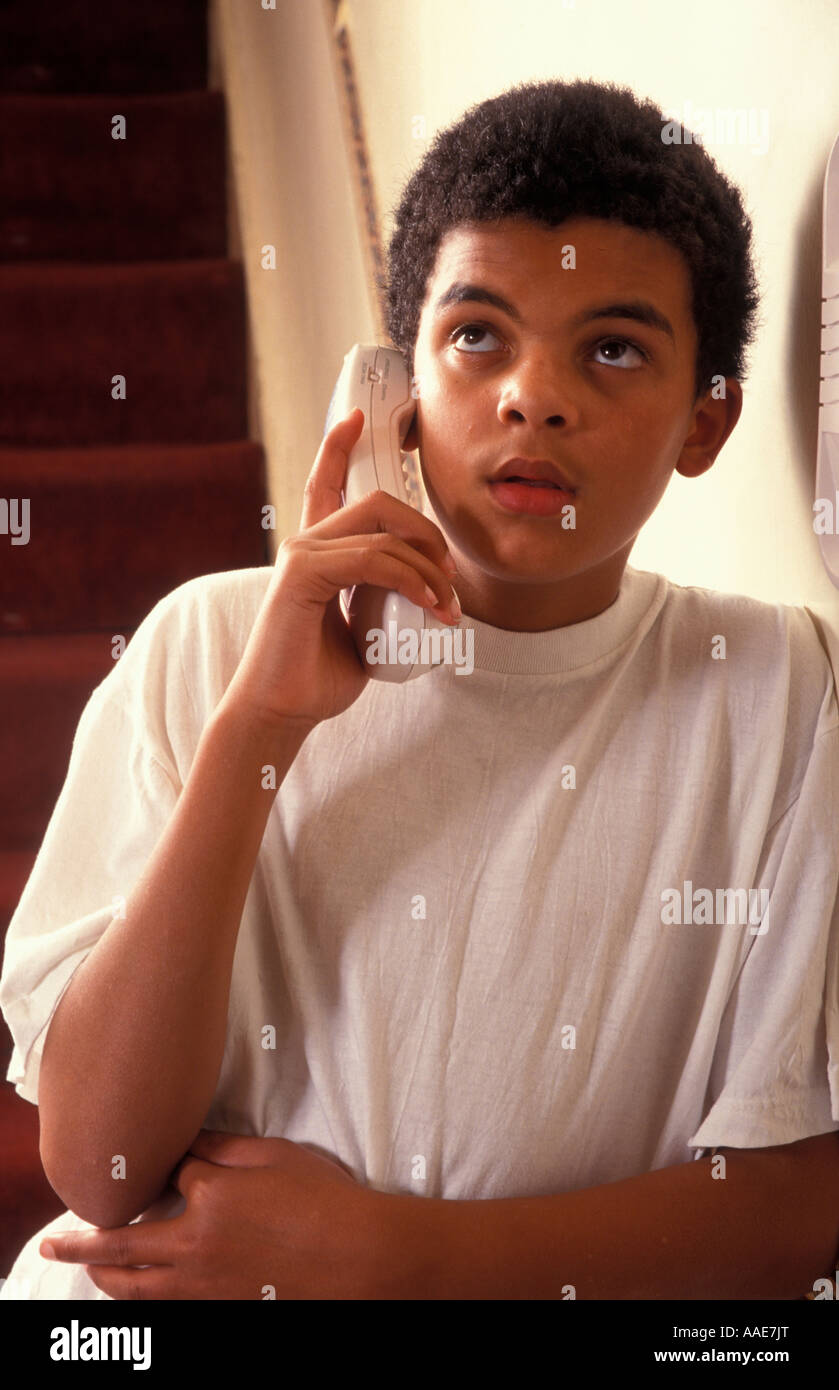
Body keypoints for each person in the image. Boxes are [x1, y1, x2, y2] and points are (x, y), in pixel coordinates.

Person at [1, 76, 838, 1302]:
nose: (530, 395)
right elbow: (101, 1163)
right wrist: (259, 730)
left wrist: (392, 1261)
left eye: (611, 348)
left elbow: (788, 1208)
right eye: (476, 335)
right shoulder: (206, 642)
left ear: (702, 425)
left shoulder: (784, 694)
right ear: (398, 383)